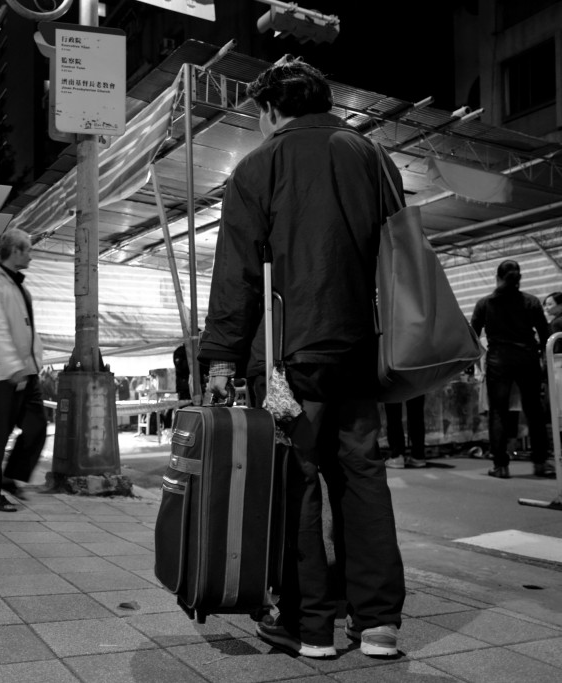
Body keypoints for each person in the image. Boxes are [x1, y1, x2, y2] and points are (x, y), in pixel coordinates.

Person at [198, 58, 405, 659]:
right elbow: (401, 248)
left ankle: (307, 624)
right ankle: (377, 624)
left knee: (298, 481)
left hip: (290, 354)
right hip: (361, 346)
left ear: (269, 109)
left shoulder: (259, 165)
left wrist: (220, 361)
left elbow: (235, 274)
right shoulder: (370, 156)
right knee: (363, 475)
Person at [0, 227, 47, 513]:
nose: (31, 254)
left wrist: (33, 363)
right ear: (15, 251)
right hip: (1, 371)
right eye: (27, 249)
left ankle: (7, 476)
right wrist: (13, 366)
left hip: (26, 371)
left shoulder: (17, 285)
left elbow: (26, 331)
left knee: (37, 426)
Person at [471, 260, 554, 478]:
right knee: (534, 411)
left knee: (498, 412)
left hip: (498, 360)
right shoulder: (532, 302)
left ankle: (501, 466)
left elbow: (472, 335)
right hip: (527, 358)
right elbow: (546, 335)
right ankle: (540, 463)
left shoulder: (485, 304)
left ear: (497, 277)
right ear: (519, 278)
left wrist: (480, 357)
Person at [384, 395, 427, 469]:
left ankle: (397, 455)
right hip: (416, 383)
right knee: (416, 411)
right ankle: (418, 455)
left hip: (395, 384)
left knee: (393, 411)